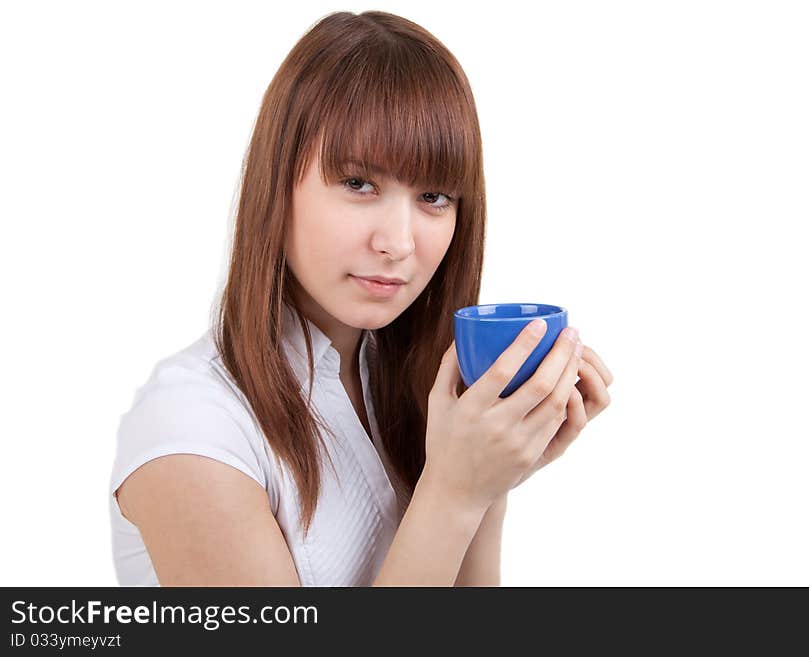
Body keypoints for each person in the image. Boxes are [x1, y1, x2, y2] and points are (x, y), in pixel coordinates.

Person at [109, 10, 613, 587]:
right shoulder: (192, 426)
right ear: (277, 184)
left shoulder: (404, 384)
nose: (398, 243)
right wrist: (454, 491)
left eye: (434, 196)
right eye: (358, 183)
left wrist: (488, 480)